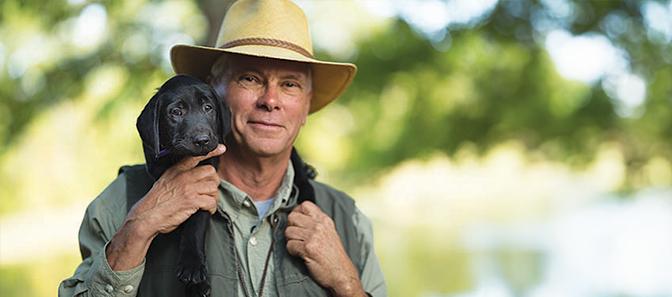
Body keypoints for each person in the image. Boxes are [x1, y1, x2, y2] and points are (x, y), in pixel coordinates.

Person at [58, 0, 386, 296]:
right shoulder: (123, 203)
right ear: (214, 91)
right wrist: (137, 230)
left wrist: (347, 284)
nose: (270, 100)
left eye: (289, 84)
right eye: (250, 79)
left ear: (306, 106)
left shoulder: (348, 220)